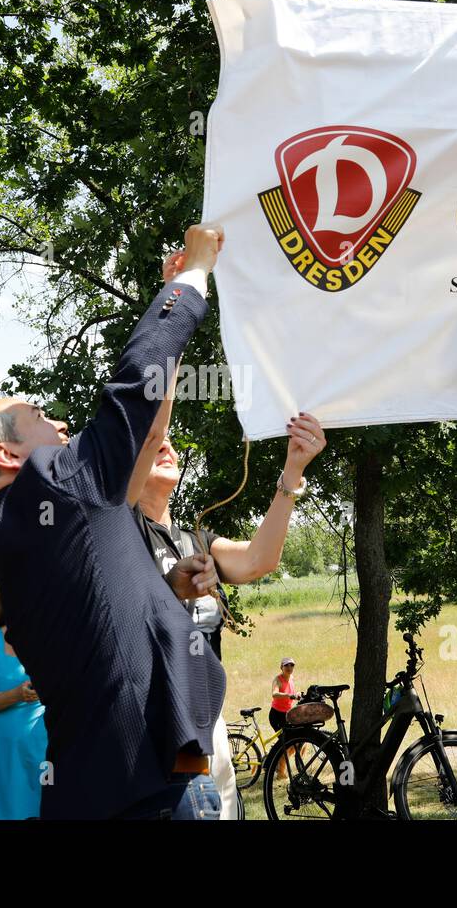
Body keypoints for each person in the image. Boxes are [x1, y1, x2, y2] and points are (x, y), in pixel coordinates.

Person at [0, 223, 227, 820]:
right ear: (8, 455)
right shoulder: (52, 485)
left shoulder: (15, 538)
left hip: (93, 790)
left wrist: (162, 590)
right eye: (40, 418)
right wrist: (192, 276)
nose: (60, 429)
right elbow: (134, 390)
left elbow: (150, 429)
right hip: (153, 790)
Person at [125, 287, 328, 818]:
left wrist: (293, 470)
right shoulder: (119, 532)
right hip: (155, 726)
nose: (166, 446)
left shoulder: (197, 540)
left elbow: (259, 560)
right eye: (155, 444)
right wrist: (179, 295)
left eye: (171, 444)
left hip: (206, 721)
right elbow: (152, 430)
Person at [0, 593, 47, 819]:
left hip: (46, 743)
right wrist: (17, 694)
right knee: (10, 808)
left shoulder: (47, 638)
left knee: (50, 803)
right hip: (7, 748)